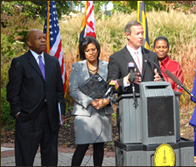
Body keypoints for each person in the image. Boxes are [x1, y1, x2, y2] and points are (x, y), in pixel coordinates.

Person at [6, 29, 66, 166]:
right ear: (29, 42)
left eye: (44, 38)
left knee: (50, 159)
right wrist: (17, 113)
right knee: (25, 160)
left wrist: (61, 111)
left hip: (50, 118)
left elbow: (59, 90)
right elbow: (12, 92)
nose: (43, 40)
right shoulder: (19, 62)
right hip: (28, 118)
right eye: (39, 38)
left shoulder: (53, 62)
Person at [69, 36, 113, 166]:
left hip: (102, 112)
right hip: (84, 113)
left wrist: (106, 101)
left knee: (99, 147)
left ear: (98, 50)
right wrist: (91, 101)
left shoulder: (108, 66)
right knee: (82, 147)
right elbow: (73, 90)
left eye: (93, 49)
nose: (91, 52)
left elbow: (114, 87)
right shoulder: (77, 67)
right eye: (87, 50)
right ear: (83, 52)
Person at [107, 21, 162, 95]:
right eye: (137, 34)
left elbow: (161, 80)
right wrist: (126, 80)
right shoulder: (117, 58)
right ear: (128, 35)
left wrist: (159, 81)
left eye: (142, 33)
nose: (141, 36)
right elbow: (110, 86)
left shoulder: (151, 56)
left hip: (150, 102)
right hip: (129, 103)